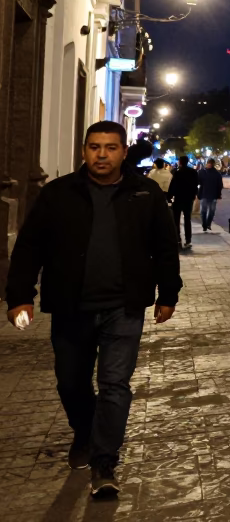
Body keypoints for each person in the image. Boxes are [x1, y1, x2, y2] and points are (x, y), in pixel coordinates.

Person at [6, 121, 180, 497]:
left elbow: (164, 248)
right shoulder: (59, 193)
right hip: (71, 306)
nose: (102, 154)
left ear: (123, 152)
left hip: (124, 307)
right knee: (70, 382)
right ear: (84, 151)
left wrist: (168, 294)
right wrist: (20, 295)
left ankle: (105, 460)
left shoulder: (144, 193)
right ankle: (84, 431)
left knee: (115, 384)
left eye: (111, 147)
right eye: (94, 147)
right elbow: (30, 246)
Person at [169, 156, 199, 252]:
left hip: (178, 198)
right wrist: (194, 194)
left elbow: (173, 185)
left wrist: (169, 196)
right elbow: (196, 184)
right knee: (187, 219)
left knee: (176, 219)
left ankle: (178, 238)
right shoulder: (193, 172)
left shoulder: (177, 173)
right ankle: (188, 239)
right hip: (188, 198)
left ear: (180, 162)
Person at [198, 158, 224, 232]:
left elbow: (220, 185)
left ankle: (207, 224)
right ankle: (205, 224)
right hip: (206, 193)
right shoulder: (203, 172)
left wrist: (218, 194)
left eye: (210, 163)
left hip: (210, 194)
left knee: (210, 211)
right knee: (205, 210)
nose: (209, 164)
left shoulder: (214, 173)